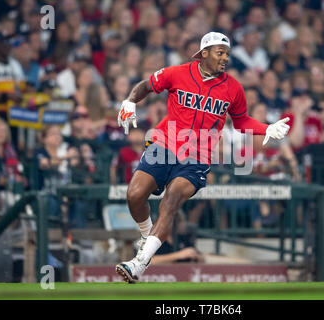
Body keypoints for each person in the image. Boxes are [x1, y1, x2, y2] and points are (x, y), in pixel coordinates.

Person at [115, 32, 290, 283]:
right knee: (134, 194)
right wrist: (130, 101)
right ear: (204, 53)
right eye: (220, 52)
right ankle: (147, 236)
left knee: (172, 199)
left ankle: (139, 263)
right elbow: (146, 85)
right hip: (165, 142)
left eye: (228, 54)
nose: (225, 58)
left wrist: (267, 128)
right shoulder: (177, 73)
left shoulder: (234, 88)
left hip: (198, 154)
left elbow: (241, 122)